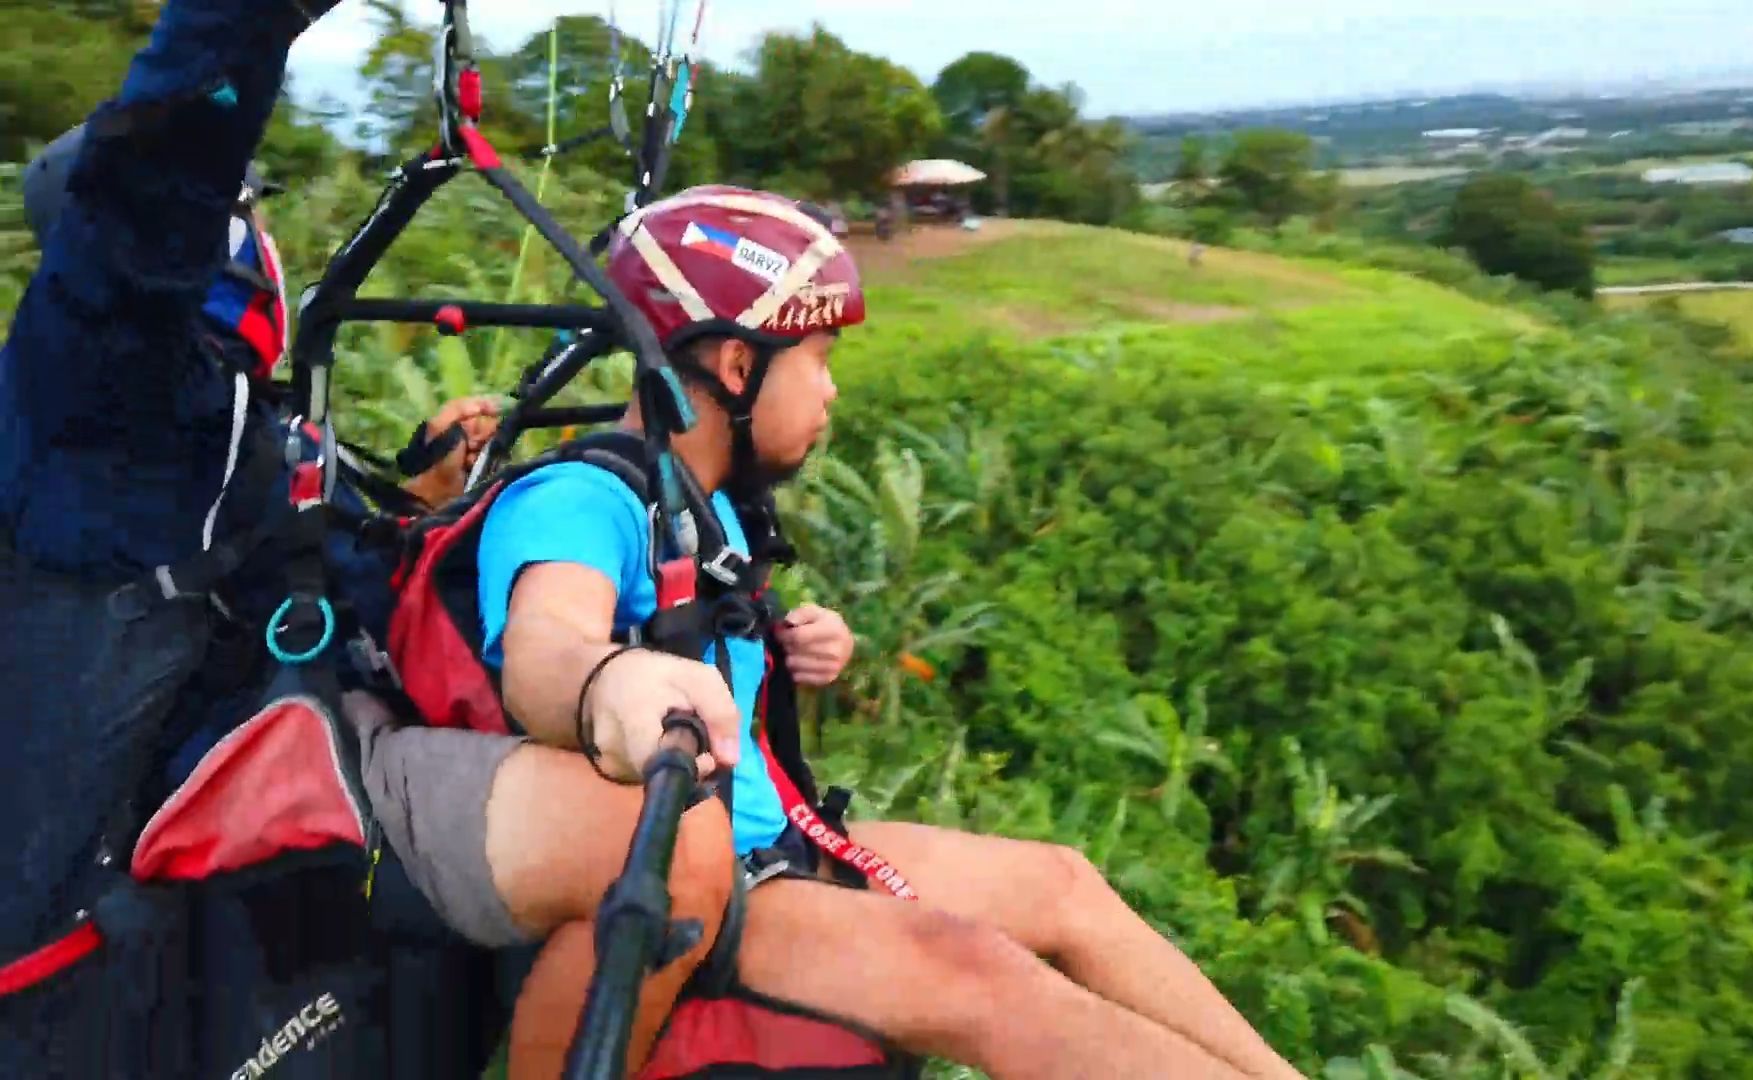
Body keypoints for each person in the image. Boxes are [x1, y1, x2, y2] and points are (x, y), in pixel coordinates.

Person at [0, 2, 735, 1073]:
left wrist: (429, 495)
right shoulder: (96, 399)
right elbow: (154, 173)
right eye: (243, 215)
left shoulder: (225, 418)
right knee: (642, 845)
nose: (264, 241)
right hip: (133, 899)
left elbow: (283, 566)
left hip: (273, 773)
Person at [471, 184, 1309, 1080]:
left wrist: (791, 647)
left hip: (777, 841)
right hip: (718, 883)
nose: (831, 390)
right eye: (818, 358)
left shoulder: (712, 507)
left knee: (1065, 886)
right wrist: (610, 685)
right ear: (737, 366)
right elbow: (544, 647)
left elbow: (708, 653)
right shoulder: (580, 499)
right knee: (986, 982)